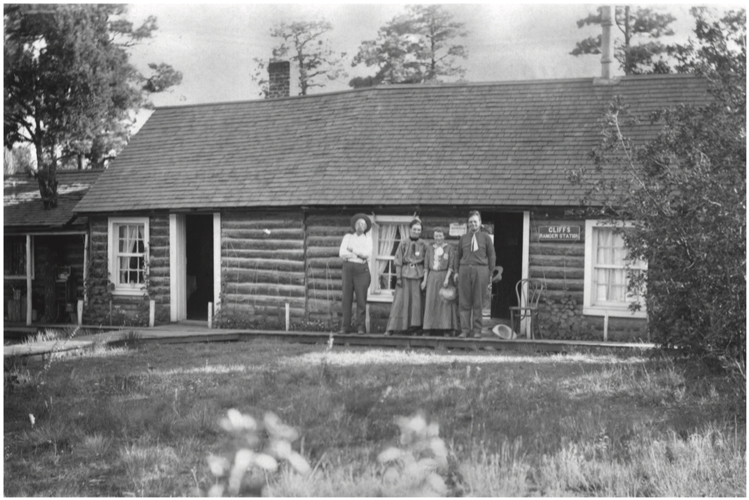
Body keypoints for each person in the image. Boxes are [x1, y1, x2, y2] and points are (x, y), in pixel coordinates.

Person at [454, 211, 496, 338]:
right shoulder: (463, 238)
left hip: (481, 271)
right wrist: (456, 272)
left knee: (478, 302)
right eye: (471, 222)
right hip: (465, 270)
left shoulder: (486, 238)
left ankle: (477, 331)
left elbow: (492, 256)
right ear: (468, 224)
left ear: (480, 223)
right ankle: (465, 330)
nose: (473, 224)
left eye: (475, 221)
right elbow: (457, 256)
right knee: (464, 302)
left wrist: (489, 273)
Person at [385, 219, 427, 335]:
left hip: (418, 276)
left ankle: (415, 328)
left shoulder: (424, 244)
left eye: (419, 230)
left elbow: (427, 263)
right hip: (404, 275)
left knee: (416, 302)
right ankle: (392, 328)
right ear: (410, 229)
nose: (416, 231)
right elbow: (398, 261)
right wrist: (398, 277)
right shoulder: (403, 243)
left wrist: (425, 278)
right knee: (400, 301)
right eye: (414, 229)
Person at [338, 214, 372, 334]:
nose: (360, 226)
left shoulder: (368, 239)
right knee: (346, 298)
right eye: (358, 223)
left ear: (366, 227)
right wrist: (357, 254)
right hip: (348, 268)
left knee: (361, 299)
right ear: (354, 225)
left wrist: (353, 250)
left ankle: (360, 327)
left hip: (362, 269)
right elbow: (342, 253)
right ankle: (345, 326)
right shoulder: (348, 237)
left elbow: (367, 254)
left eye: (363, 224)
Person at [422, 227, 459, 336]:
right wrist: (425, 280)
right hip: (432, 277)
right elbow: (426, 266)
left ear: (444, 236)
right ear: (434, 237)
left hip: (445, 276)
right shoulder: (430, 249)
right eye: (436, 236)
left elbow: (451, 265)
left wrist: (447, 278)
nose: (438, 238)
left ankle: (446, 328)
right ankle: (429, 328)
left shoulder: (449, 248)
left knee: (445, 302)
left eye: (440, 236)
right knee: (431, 302)